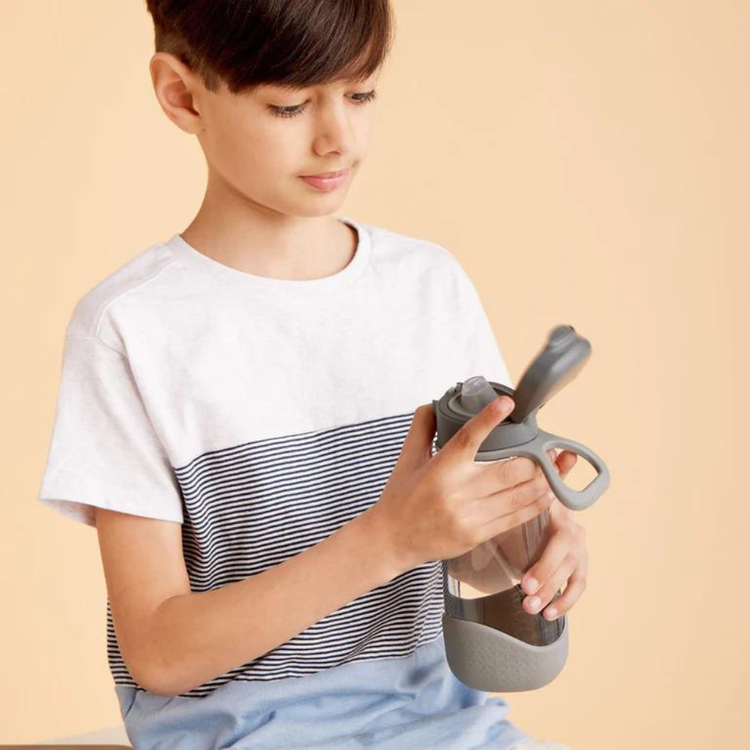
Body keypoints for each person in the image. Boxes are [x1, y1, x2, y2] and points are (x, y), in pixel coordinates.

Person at [37, 1, 587, 748]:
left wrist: (530, 537)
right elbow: (160, 653)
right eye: (290, 105)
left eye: (360, 93)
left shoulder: (428, 285)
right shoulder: (130, 328)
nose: (339, 138)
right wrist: (388, 539)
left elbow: (472, 561)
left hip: (448, 728)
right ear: (182, 95)